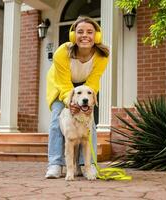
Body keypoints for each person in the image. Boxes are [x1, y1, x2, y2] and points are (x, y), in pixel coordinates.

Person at [45, 16, 109, 178]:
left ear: (97, 36)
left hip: (85, 87)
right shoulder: (62, 52)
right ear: (74, 36)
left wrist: (87, 102)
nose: (85, 35)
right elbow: (64, 84)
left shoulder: (102, 56)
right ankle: (55, 164)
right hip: (60, 85)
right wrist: (69, 102)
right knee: (57, 120)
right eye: (80, 32)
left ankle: (87, 165)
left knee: (89, 123)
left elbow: (93, 82)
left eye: (90, 32)